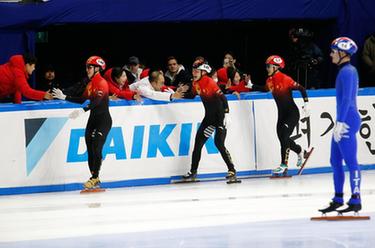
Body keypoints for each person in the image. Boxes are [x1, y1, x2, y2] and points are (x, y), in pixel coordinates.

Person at [52, 56, 112, 190]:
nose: (87, 70)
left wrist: (82, 111)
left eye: (90, 67)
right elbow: (82, 99)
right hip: (93, 121)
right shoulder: (90, 84)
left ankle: (94, 177)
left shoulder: (102, 83)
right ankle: (95, 176)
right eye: (86, 67)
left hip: (103, 121)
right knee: (90, 150)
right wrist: (64, 97)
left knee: (96, 147)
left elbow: (96, 101)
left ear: (97, 69)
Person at [246, 55, 310, 175]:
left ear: (276, 67)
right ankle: (300, 151)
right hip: (282, 115)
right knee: (283, 139)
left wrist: (306, 103)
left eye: (269, 66)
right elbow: (266, 89)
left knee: (284, 136)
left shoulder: (285, 78)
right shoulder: (269, 80)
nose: (267, 69)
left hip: (292, 113)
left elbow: (301, 88)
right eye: (267, 66)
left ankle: (284, 165)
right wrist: (251, 86)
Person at [319, 37, 362, 214]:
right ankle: (338, 198)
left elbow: (347, 99)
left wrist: (342, 122)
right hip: (343, 119)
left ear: (343, 53)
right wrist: (339, 121)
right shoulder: (346, 71)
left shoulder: (348, 72)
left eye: (333, 51)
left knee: (351, 161)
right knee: (335, 161)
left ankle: (356, 199)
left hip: (348, 120)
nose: (330, 55)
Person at [182, 60, 239, 183]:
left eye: (197, 71)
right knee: (198, 145)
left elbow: (223, 98)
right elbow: (191, 95)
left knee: (219, 143)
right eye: (193, 70)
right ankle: (193, 171)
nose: (194, 73)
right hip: (208, 119)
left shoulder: (209, 82)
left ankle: (232, 170)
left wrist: (227, 114)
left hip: (219, 118)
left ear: (204, 72)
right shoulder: (195, 82)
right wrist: (176, 94)